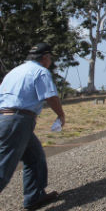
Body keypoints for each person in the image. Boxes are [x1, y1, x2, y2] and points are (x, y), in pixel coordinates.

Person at [0, 43, 66, 210]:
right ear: (44, 57)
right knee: (4, 166)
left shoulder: (14, 71)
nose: (50, 61)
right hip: (18, 121)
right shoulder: (40, 72)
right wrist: (60, 115)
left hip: (7, 118)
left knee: (35, 157)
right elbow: (51, 97)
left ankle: (34, 196)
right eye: (50, 58)